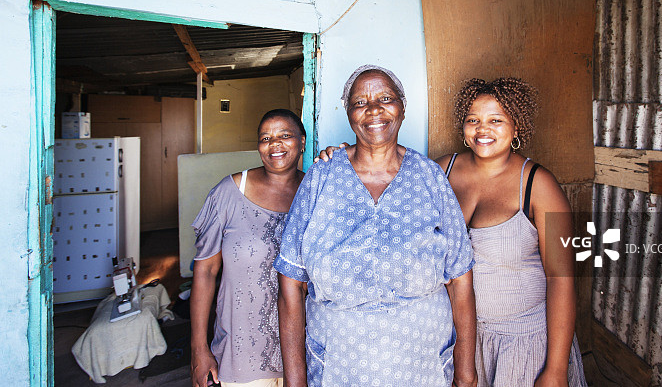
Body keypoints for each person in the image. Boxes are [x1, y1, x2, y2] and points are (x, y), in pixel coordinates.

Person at [274, 65, 477, 387]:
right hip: (338, 363)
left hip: (423, 363)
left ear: (402, 107)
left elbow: (460, 277)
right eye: (360, 102)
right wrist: (295, 379)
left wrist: (466, 371)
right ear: (349, 114)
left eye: (385, 98)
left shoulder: (429, 176)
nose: (373, 110)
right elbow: (290, 282)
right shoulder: (322, 177)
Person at [434, 77, 587, 387]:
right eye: (473, 120)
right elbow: (387, 179)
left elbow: (562, 279)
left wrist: (556, 370)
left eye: (496, 120)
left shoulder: (540, 186)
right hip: (459, 342)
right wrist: (345, 156)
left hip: (524, 346)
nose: (482, 129)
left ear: (517, 127)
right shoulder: (441, 171)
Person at [190, 109, 306, 387]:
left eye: (285, 135)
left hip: (303, 354)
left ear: (302, 141)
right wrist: (198, 349)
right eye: (265, 138)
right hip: (240, 355)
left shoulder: (314, 193)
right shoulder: (229, 192)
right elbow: (205, 272)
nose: (274, 144)